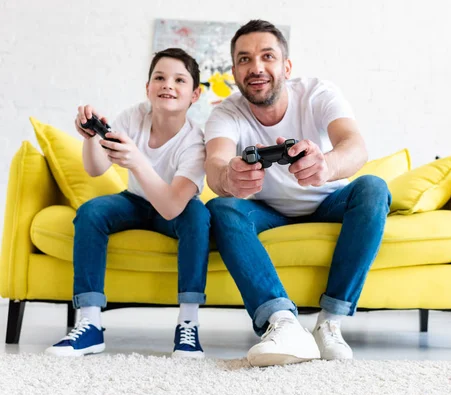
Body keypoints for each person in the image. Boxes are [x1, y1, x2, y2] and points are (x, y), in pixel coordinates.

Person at [204, 20, 391, 367]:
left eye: (267, 56)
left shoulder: (317, 92)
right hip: (267, 209)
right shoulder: (225, 112)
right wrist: (229, 177)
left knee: (373, 187)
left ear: (286, 66)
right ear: (234, 71)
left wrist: (326, 165)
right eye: (244, 59)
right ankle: (282, 322)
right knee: (221, 207)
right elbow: (215, 163)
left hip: (326, 200)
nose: (256, 67)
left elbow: (355, 146)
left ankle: (330, 322)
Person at [45, 48, 210, 358]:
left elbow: (172, 207)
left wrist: (137, 161)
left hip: (174, 207)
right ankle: (90, 323)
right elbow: (96, 169)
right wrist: (90, 138)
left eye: (179, 80)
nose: (167, 85)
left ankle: (189, 322)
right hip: (135, 201)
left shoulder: (196, 142)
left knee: (197, 216)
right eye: (159, 77)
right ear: (147, 88)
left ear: (195, 94)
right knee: (91, 212)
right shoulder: (134, 117)